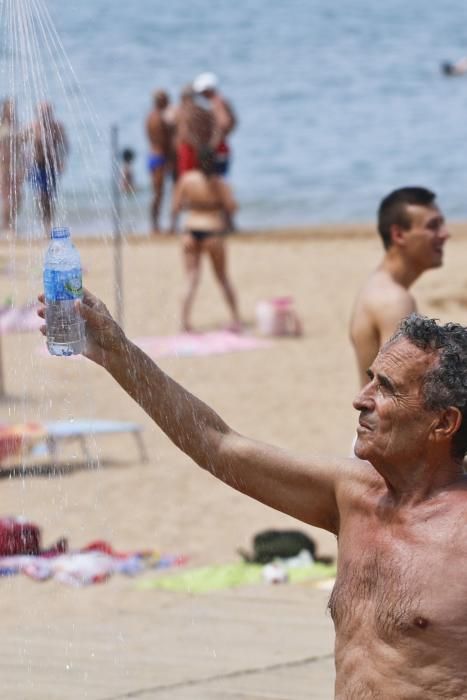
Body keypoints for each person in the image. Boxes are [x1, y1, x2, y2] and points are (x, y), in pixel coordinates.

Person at [37, 290, 467, 698]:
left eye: (387, 388)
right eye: (370, 379)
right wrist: (116, 352)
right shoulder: (351, 495)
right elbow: (216, 444)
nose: (361, 398)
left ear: (443, 424)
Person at [349, 186, 449, 387]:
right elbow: (401, 387)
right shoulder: (393, 300)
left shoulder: (379, 286)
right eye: (433, 226)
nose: (445, 234)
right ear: (399, 235)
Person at [170, 146, 241, 333]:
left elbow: (175, 207)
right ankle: (235, 319)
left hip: (191, 229)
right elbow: (232, 207)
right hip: (213, 231)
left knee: (191, 278)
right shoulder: (220, 183)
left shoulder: (187, 180)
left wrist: (193, 205)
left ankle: (184, 322)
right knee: (222, 277)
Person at [29, 101, 69, 233]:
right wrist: (22, 163)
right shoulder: (33, 127)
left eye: (47, 112)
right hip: (36, 166)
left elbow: (65, 146)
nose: (45, 115)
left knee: (50, 195)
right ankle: (43, 223)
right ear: (38, 113)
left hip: (51, 166)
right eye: (42, 112)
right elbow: (20, 144)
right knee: (41, 195)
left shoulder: (57, 127)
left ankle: (48, 224)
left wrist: (62, 161)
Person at [193, 72, 236, 176]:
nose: (201, 95)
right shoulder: (222, 101)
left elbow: (223, 123)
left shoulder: (216, 102)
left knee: (214, 182)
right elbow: (233, 122)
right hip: (222, 147)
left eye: (202, 92)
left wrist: (212, 144)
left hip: (217, 149)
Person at [145, 89, 172, 233]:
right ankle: (155, 225)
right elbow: (165, 141)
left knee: (157, 192)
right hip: (160, 157)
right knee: (158, 193)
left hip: (152, 155)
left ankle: (154, 223)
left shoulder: (149, 117)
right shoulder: (161, 118)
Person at [173, 84, 215, 178]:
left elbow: (184, 133)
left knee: (186, 179)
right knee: (200, 177)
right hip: (201, 148)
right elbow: (212, 128)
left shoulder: (183, 111)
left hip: (187, 149)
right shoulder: (202, 111)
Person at [0, 98, 25, 233]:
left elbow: (22, 148)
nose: (13, 110)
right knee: (6, 197)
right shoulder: (1, 126)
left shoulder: (17, 127)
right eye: (10, 108)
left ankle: (11, 222)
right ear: (5, 110)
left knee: (18, 196)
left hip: (16, 165)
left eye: (14, 108)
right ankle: (6, 225)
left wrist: (25, 164)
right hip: (3, 167)